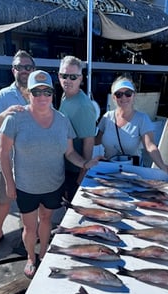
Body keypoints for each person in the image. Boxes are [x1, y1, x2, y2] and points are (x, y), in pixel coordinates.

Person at [0, 70, 101, 278]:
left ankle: (43, 253)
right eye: (37, 91)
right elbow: (3, 151)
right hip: (26, 186)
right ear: (28, 93)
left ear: (53, 94)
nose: (43, 96)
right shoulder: (15, 118)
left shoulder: (62, 120)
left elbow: (70, 152)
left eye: (47, 91)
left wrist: (85, 163)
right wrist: (9, 183)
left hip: (54, 184)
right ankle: (30, 257)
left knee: (46, 220)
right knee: (29, 227)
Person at [0, 50, 36, 254]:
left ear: (34, 69)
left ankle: (28, 233)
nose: (24, 70)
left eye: (28, 67)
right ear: (13, 69)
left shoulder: (40, 92)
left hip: (32, 163)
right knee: (4, 201)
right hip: (9, 161)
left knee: (29, 203)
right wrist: (5, 114)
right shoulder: (4, 95)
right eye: (20, 67)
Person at [95, 75, 168, 176]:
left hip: (133, 172)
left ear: (134, 96)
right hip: (110, 171)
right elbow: (95, 141)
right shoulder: (107, 117)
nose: (124, 97)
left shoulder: (142, 119)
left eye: (128, 93)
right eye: (119, 94)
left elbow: (150, 146)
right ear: (113, 97)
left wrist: (163, 166)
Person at [58, 55, 97, 201]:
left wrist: (81, 177)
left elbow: (89, 141)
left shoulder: (83, 106)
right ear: (59, 76)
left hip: (75, 170)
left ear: (81, 79)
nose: (68, 80)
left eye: (73, 77)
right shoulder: (66, 96)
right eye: (64, 76)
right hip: (64, 166)